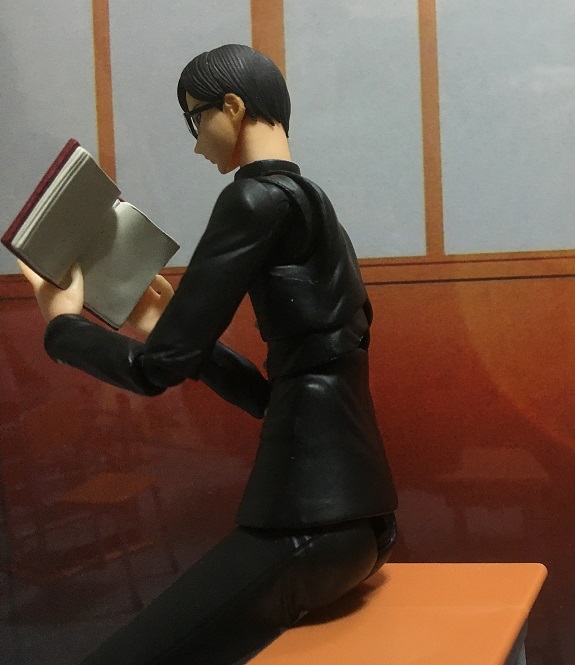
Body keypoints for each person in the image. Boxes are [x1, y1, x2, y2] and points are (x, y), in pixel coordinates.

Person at [21, 44, 398, 665]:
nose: (197, 145)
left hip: (306, 521)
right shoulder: (313, 202)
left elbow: (155, 373)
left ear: (233, 107)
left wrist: (62, 326)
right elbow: (275, 395)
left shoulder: (252, 200)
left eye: (196, 120)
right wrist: (162, 325)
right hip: (366, 523)